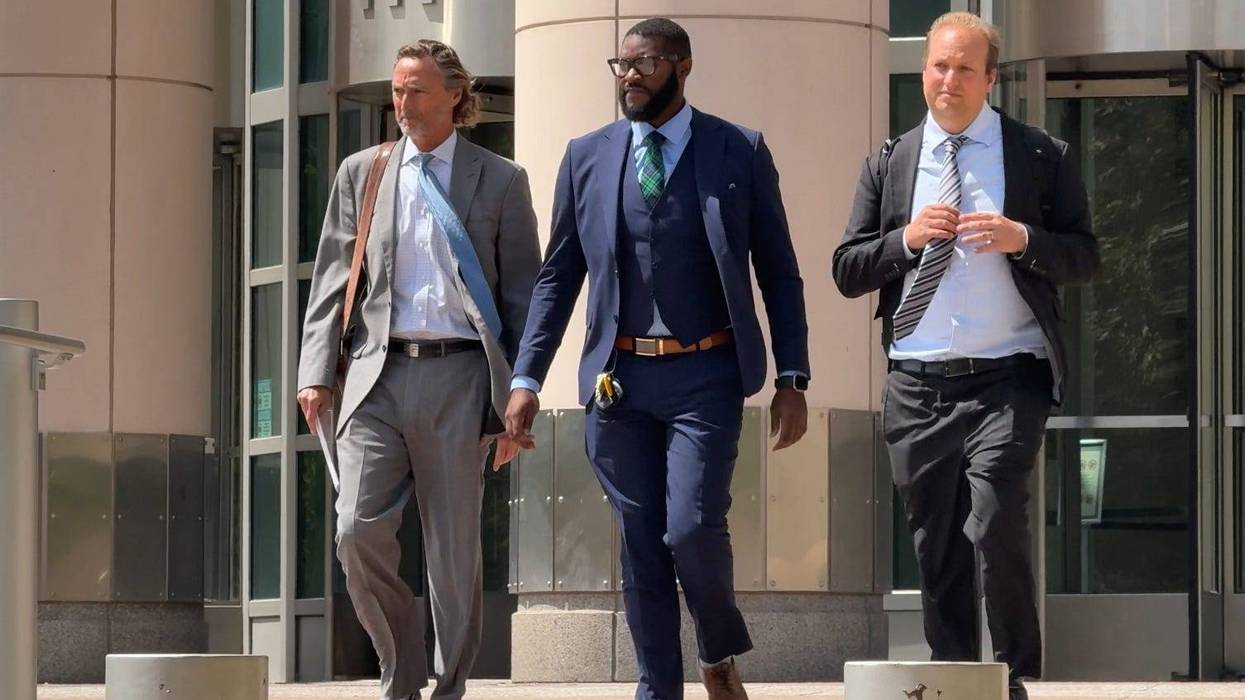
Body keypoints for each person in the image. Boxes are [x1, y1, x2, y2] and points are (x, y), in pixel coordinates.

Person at [504, 17, 810, 700]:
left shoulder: (737, 150)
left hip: (707, 371)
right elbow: (559, 276)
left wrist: (792, 376)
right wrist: (527, 374)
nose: (631, 75)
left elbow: (779, 273)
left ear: (683, 66)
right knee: (641, 542)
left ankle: (717, 646)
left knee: (690, 527)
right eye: (622, 64)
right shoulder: (587, 155)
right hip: (619, 379)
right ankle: (656, 690)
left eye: (646, 62)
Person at [832, 12, 1099, 700]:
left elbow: (1084, 256)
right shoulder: (889, 162)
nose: (947, 80)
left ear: (989, 79)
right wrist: (907, 240)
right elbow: (846, 268)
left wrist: (1023, 238)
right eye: (937, 67)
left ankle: (1012, 670)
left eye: (962, 69)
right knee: (938, 545)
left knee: (995, 514)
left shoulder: (1039, 157)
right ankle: (956, 679)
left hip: (1007, 377)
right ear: (924, 73)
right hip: (917, 384)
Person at [296, 40, 541, 700]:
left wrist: (521, 391)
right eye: (396, 91)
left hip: (459, 375)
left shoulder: (499, 179)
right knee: (355, 530)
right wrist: (315, 369)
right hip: (376, 374)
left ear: (455, 95)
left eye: (416, 91)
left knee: (451, 549)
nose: (401, 104)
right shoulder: (363, 173)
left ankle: (449, 686)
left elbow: (522, 294)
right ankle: (401, 663)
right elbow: (332, 280)